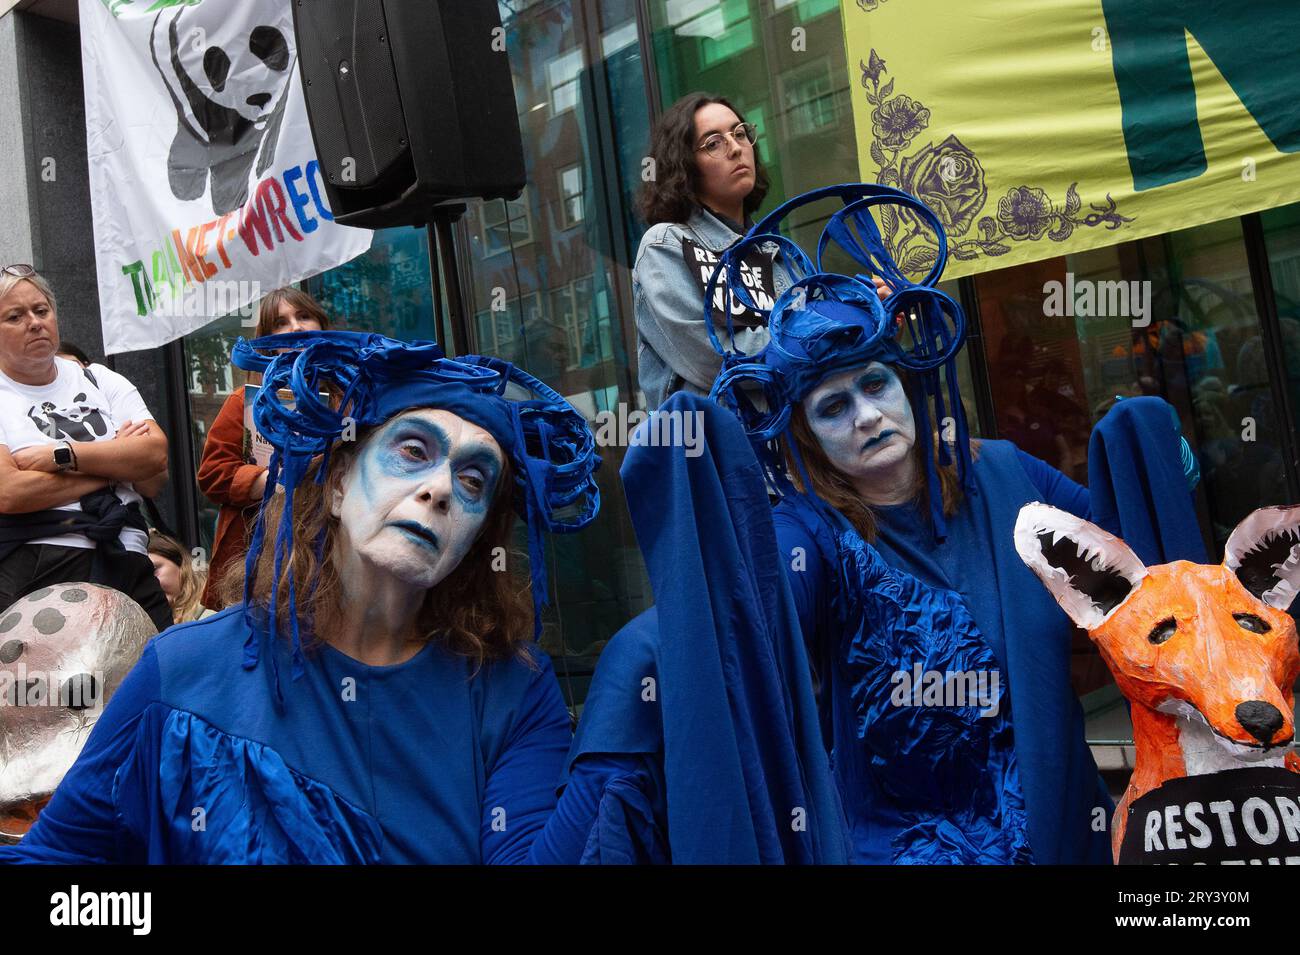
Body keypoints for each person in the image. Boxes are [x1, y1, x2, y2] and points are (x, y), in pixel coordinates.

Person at [708, 185, 1202, 864]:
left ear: (907, 384)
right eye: (832, 407)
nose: (864, 416)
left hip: (1064, 831)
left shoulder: (1004, 473)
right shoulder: (811, 533)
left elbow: (1123, 562)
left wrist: (1146, 447)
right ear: (810, 439)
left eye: (875, 384)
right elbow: (757, 617)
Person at [0, 330, 602, 864]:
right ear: (338, 484)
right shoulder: (181, 671)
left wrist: (620, 721)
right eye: (413, 452)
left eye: (473, 480)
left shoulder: (512, 691)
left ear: (476, 536)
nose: (440, 489)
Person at [0, 265, 172, 632]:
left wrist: (59, 458)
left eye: (41, 310)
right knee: (58, 687)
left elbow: (155, 455)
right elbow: (11, 492)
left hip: (128, 556)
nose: (34, 322)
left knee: (161, 677)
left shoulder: (100, 378)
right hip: (40, 561)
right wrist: (115, 463)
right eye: (15, 316)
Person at [632, 93, 786, 410]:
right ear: (685, 167)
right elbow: (718, 360)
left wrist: (867, 312)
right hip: (723, 450)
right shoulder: (665, 245)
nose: (735, 147)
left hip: (800, 444)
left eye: (740, 133)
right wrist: (821, 334)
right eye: (713, 143)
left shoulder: (776, 249)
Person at [196, 287, 329, 610]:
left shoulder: (350, 397)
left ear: (322, 325)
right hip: (261, 554)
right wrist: (275, 478)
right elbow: (213, 475)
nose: (296, 327)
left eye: (304, 316)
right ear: (268, 342)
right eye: (281, 323)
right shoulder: (243, 401)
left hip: (331, 548)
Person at [147, 529, 214, 625]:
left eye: (153, 570)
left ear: (179, 562)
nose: (149, 584)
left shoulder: (217, 604)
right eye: (139, 579)